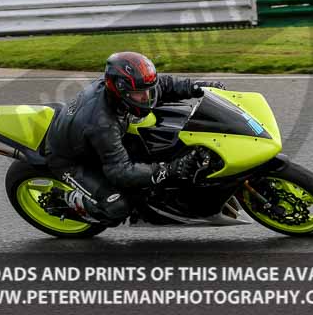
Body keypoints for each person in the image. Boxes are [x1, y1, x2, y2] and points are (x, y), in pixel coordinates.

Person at [45, 51, 225, 225]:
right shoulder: (102, 124)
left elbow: (163, 84)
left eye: (148, 91)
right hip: (69, 160)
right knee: (117, 207)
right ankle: (68, 201)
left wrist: (197, 87)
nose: (146, 97)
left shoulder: (122, 89)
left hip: (91, 137)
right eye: (139, 94)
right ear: (120, 90)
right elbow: (119, 172)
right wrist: (169, 170)